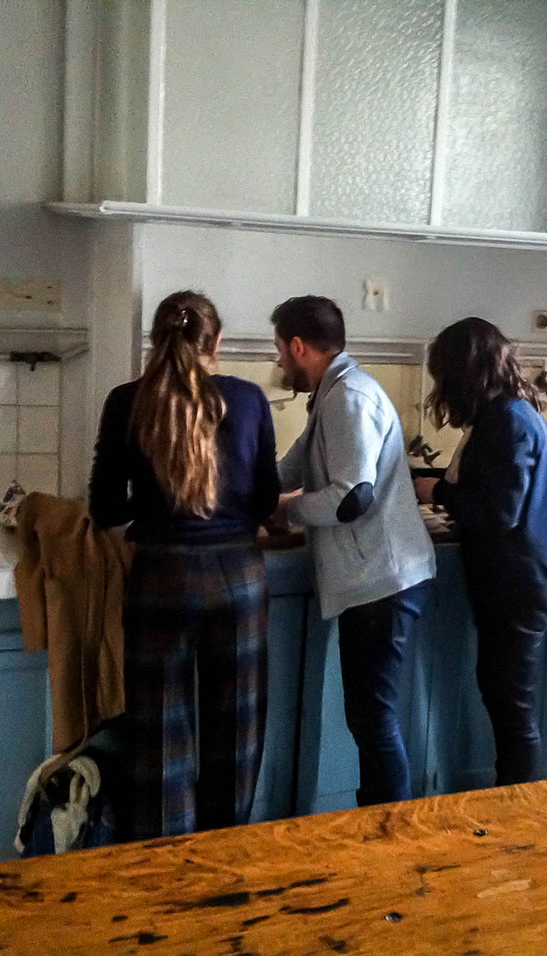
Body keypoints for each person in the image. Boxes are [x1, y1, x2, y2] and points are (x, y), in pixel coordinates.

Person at [89, 290, 280, 838]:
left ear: (155, 341)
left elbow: (105, 508)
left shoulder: (125, 401)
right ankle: (224, 852)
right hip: (238, 578)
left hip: (161, 578)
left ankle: (167, 859)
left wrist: (158, 504)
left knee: (159, 734)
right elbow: (266, 500)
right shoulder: (248, 399)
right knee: (236, 730)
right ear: (216, 342)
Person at [271, 295, 436, 806]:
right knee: (369, 718)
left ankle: (389, 833)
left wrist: (286, 512)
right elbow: (291, 467)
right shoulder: (332, 395)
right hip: (373, 582)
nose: (279, 361)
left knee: (373, 720)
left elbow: (351, 499)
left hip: (382, 583)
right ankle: (381, 827)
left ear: (299, 346)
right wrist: (243, 494)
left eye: (279, 349)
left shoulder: (350, 398)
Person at [415, 317, 547, 786]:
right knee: (505, 696)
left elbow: (499, 511)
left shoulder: (506, 419)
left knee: (511, 704)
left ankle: (516, 808)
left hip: (521, 580)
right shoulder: (507, 412)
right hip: (525, 576)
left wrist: (438, 491)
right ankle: (512, 801)